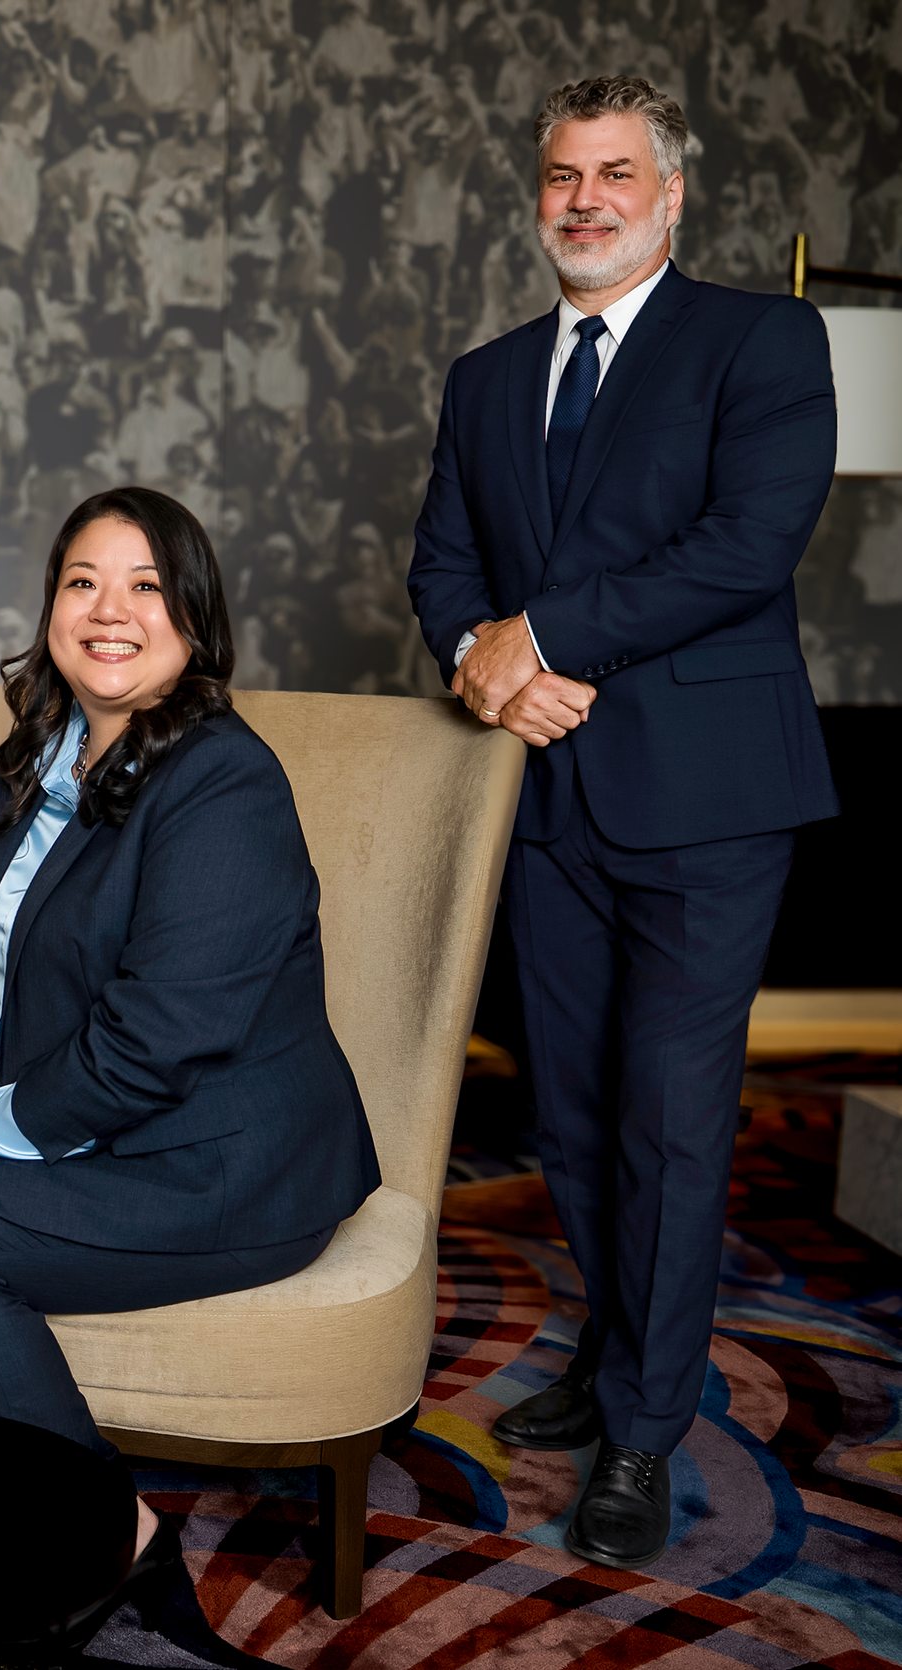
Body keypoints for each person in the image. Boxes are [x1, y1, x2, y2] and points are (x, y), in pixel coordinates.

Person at [0, 487, 380, 1637]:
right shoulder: (39, 754)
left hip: (214, 1161)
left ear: (193, 620)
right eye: (82, 582)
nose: (109, 610)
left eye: (145, 585)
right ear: (50, 606)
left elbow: (155, 1040)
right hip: (90, 1126)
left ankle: (115, 1538)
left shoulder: (222, 783)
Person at [406, 77, 837, 1571]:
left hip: (709, 804)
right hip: (545, 801)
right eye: (561, 177)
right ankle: (617, 1346)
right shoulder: (485, 376)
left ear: (669, 196)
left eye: (615, 174)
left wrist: (546, 635)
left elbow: (749, 543)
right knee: (576, 1110)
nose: (584, 198)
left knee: (668, 1111)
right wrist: (489, 665)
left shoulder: (761, 339)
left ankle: (649, 1427)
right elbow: (442, 570)